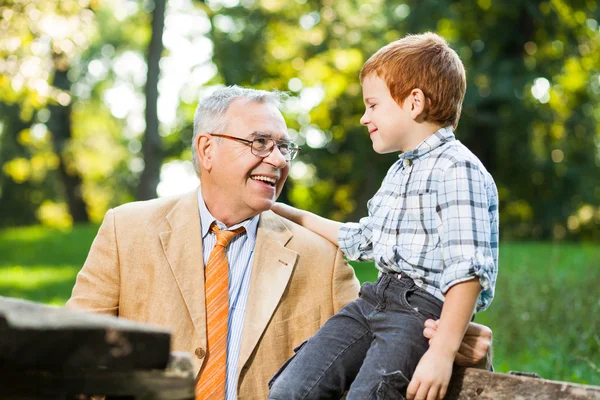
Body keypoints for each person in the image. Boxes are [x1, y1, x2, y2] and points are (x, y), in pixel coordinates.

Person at [66, 85, 493, 400]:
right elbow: (71, 358)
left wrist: (462, 352)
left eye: (285, 147)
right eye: (259, 143)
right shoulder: (127, 231)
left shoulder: (321, 256)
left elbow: (381, 360)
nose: (278, 159)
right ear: (207, 149)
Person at [268, 32, 499, 400]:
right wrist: (294, 216)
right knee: (291, 389)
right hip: (373, 300)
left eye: (372, 105)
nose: (364, 117)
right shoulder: (400, 171)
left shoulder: (458, 169)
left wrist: (441, 353)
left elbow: (467, 270)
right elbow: (365, 238)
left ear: (414, 103)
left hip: (419, 312)